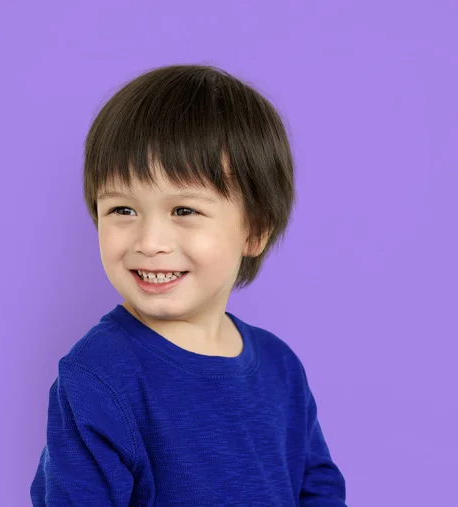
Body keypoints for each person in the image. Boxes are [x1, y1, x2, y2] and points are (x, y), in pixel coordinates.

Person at [30, 64, 347, 506]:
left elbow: (319, 488)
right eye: (122, 210)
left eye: (184, 211)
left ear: (254, 231)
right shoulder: (98, 375)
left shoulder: (281, 368)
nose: (150, 242)